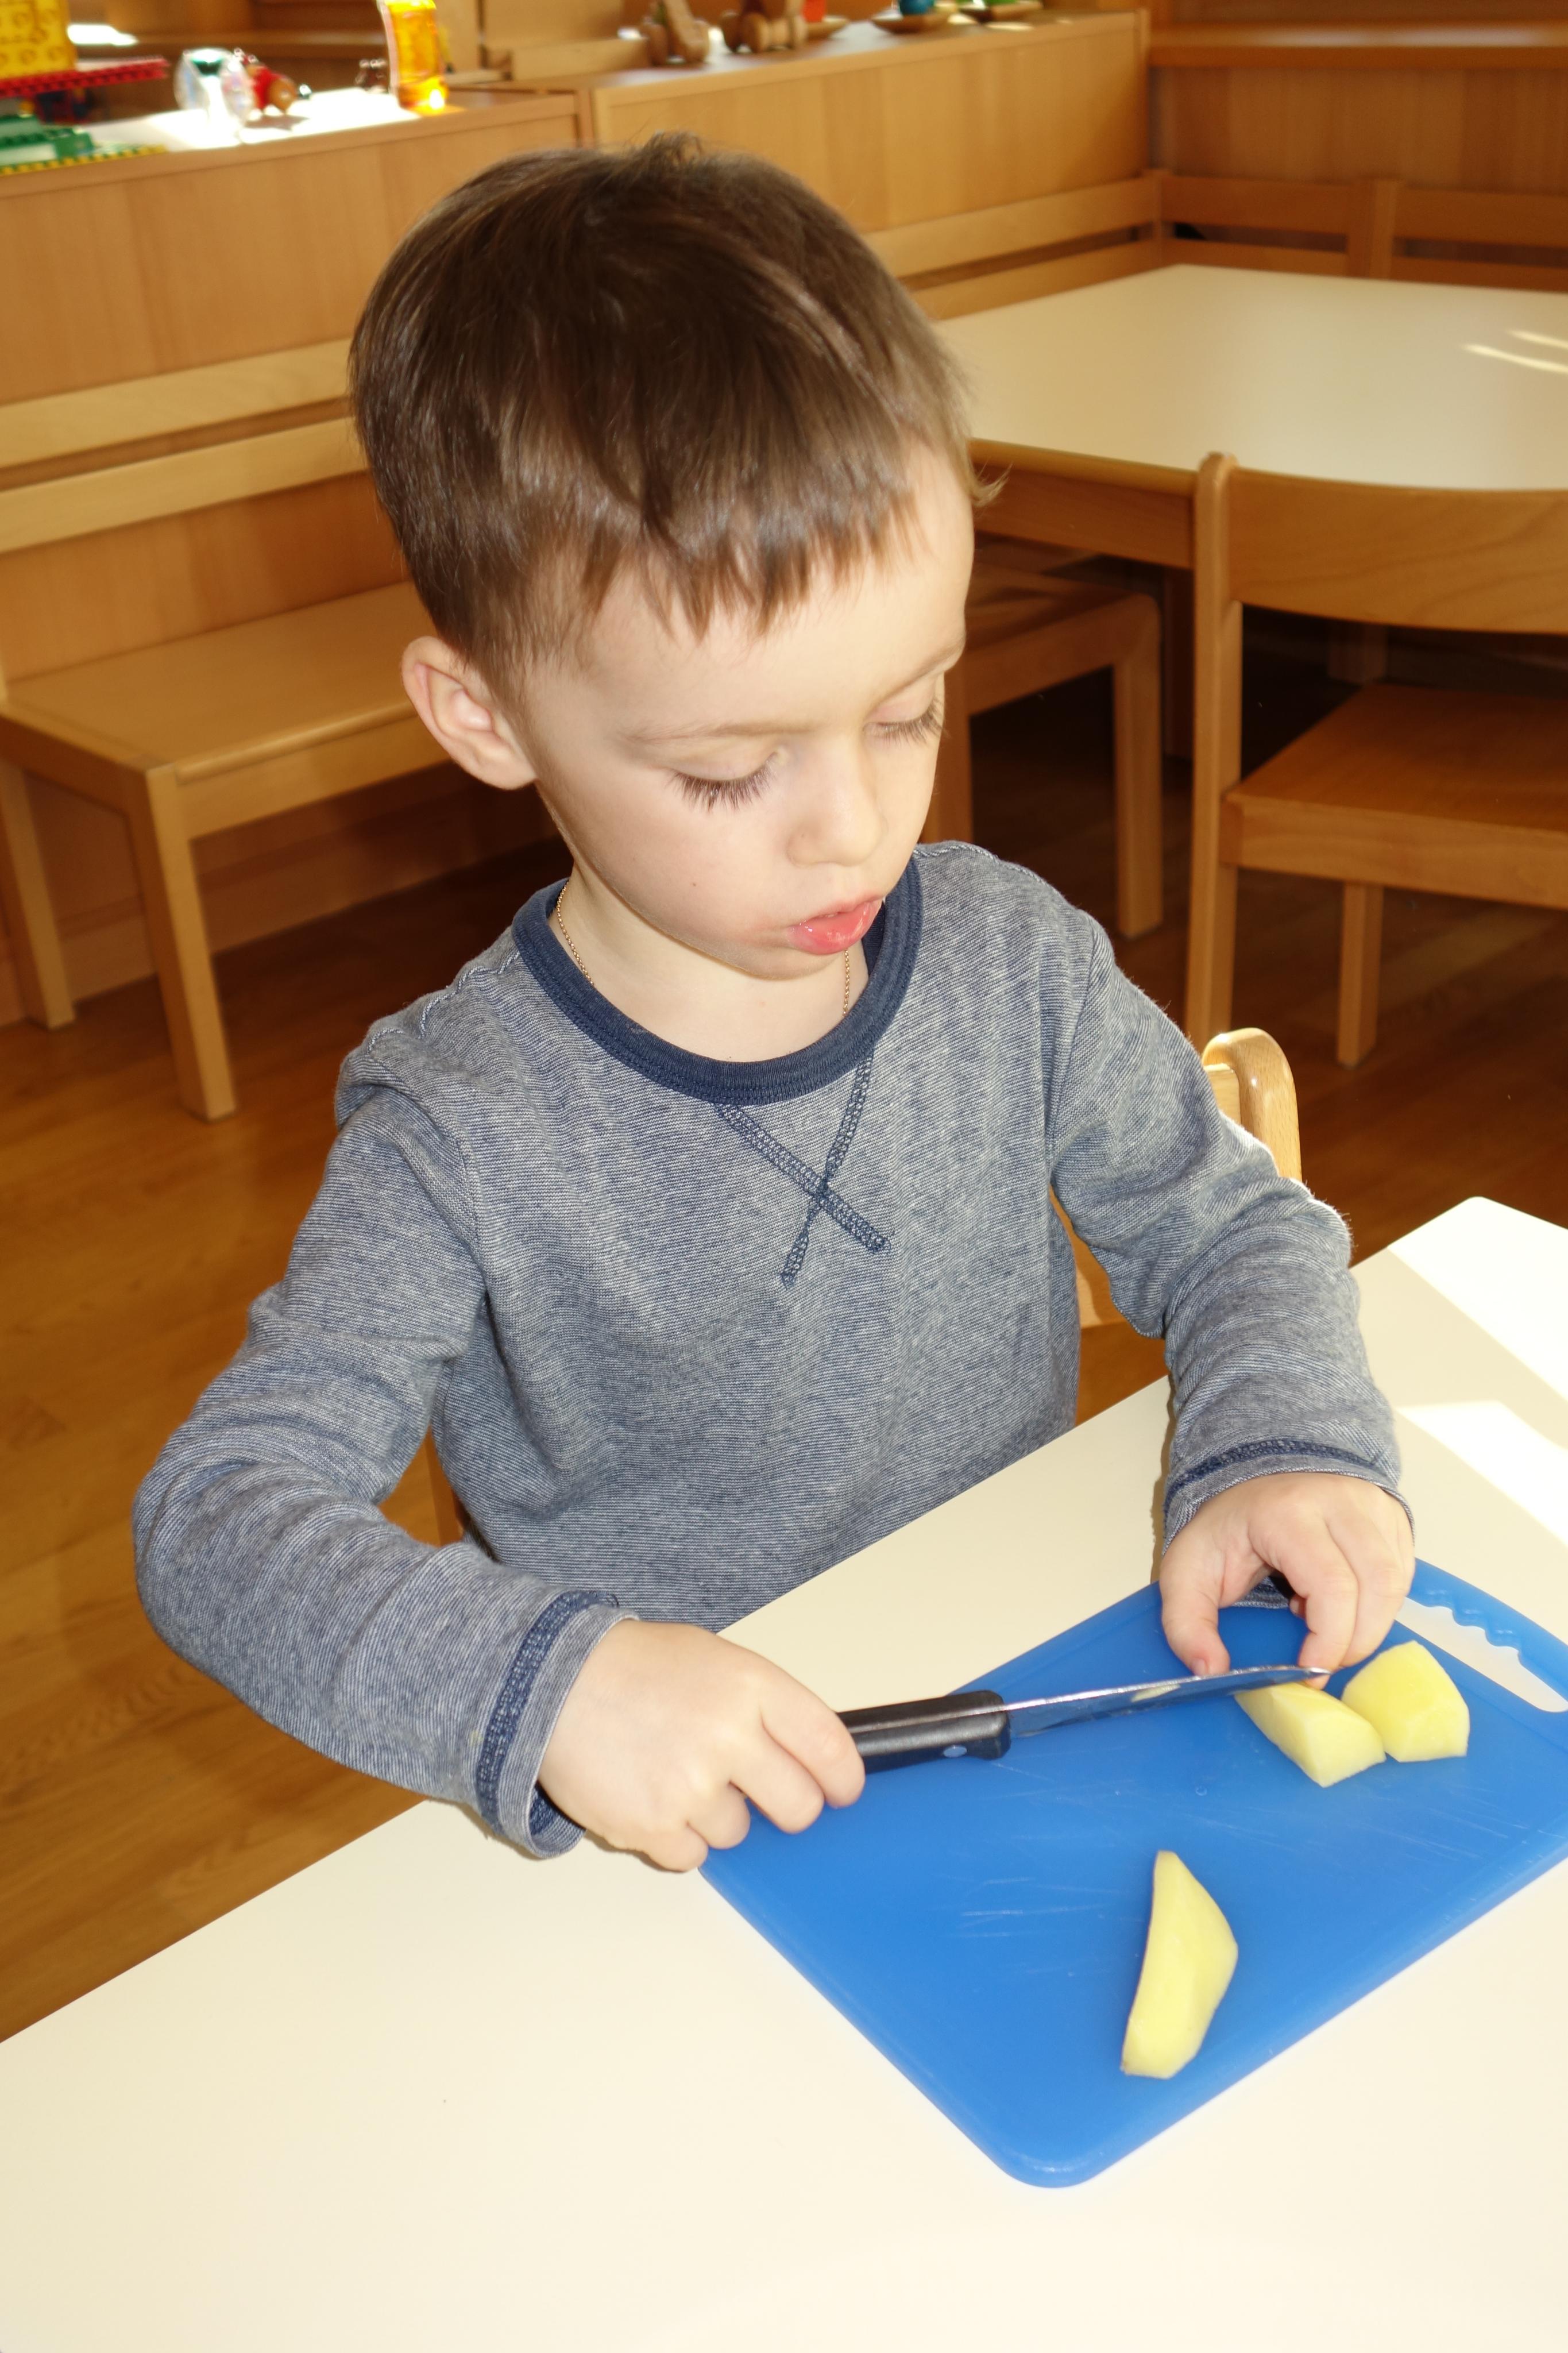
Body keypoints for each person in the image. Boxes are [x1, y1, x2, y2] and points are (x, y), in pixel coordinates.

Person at [134, 138, 1413, 1876]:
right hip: (688, 1824)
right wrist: (548, 1688)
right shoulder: (461, 1125)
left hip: (1007, 1689)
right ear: (486, 716)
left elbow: (1233, 1226)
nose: (856, 828)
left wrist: (1281, 1445)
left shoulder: (1011, 961)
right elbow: (218, 1519)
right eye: (732, 769)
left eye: (907, 710)